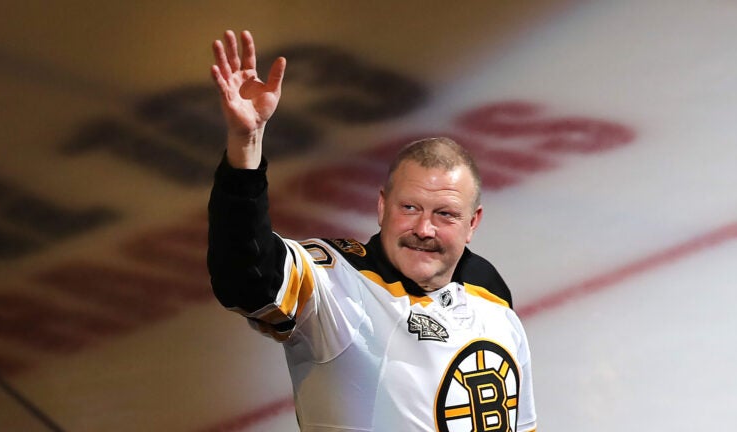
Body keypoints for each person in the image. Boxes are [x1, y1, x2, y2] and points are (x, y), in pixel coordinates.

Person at [207, 29, 537, 432]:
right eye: (410, 207)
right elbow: (246, 274)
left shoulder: (491, 293)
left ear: (473, 223)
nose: (424, 229)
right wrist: (247, 143)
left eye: (446, 214)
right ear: (382, 206)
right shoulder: (337, 286)